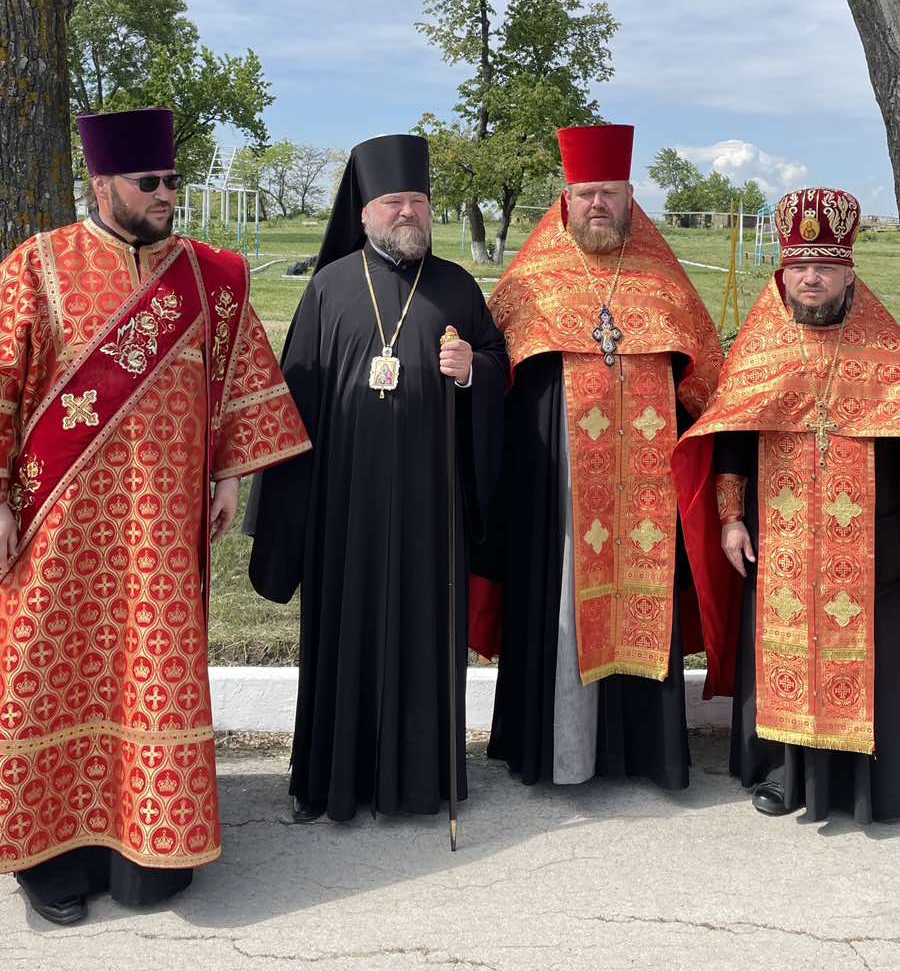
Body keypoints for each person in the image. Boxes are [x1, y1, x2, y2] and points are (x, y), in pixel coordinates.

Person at [0, 108, 310, 924]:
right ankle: (51, 860)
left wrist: (230, 473)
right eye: (150, 182)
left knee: (155, 670)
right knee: (48, 671)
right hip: (56, 527)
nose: (167, 194)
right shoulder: (37, 266)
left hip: (162, 529)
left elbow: (238, 374)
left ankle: (150, 846)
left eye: (173, 180)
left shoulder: (208, 276)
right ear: (102, 183)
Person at [245, 134, 508, 824]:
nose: (408, 212)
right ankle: (328, 780)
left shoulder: (457, 285)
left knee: (426, 635)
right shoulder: (329, 287)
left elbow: (497, 361)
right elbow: (293, 400)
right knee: (344, 635)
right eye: (394, 201)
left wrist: (473, 371)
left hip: (431, 506)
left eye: (418, 200)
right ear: (364, 211)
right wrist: (288, 506)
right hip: (345, 505)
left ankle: (423, 783)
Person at [477, 124, 723, 791]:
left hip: (647, 489)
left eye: (610, 193)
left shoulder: (663, 279)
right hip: (556, 484)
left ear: (629, 197)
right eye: (586, 193)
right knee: (559, 602)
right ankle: (557, 751)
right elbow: (497, 370)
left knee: (644, 594)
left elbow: (705, 376)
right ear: (566, 197)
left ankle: (644, 754)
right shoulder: (532, 281)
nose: (597, 205)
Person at [674, 187, 900, 824]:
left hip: (872, 542)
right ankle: (783, 775)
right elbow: (733, 437)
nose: (810, 278)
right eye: (799, 266)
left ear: (849, 273)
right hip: (781, 539)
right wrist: (731, 518)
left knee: (874, 658)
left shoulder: (888, 348)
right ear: (783, 272)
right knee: (783, 650)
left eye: (824, 267)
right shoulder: (761, 346)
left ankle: (872, 785)